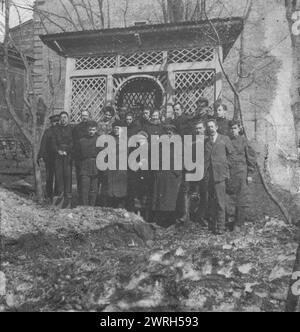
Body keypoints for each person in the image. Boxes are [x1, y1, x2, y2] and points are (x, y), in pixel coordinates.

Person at [204, 119, 235, 235]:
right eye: (208, 127)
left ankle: (221, 227)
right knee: (211, 201)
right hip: (209, 176)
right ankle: (212, 225)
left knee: (221, 202)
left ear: (216, 127)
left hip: (220, 176)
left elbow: (232, 154)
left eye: (212, 126)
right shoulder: (207, 142)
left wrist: (226, 167)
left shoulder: (224, 139)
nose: (210, 129)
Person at [152, 124, 183, 228]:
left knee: (171, 199)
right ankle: (161, 220)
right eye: (167, 132)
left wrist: (176, 172)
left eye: (171, 132)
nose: (169, 134)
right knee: (162, 199)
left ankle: (171, 220)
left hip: (173, 175)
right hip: (162, 174)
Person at [228, 121, 256, 233]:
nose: (233, 130)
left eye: (234, 128)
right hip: (230, 173)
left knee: (241, 198)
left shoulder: (244, 141)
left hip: (241, 173)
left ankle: (238, 224)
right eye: (231, 128)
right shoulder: (227, 141)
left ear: (239, 129)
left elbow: (251, 159)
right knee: (229, 198)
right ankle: (230, 219)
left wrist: (249, 174)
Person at [101, 121, 128, 208]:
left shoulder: (126, 139)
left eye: (118, 128)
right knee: (111, 192)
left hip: (121, 169)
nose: (116, 130)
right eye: (115, 128)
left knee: (121, 191)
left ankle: (120, 209)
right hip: (111, 169)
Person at [51, 112, 74, 209]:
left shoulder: (72, 129)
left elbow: (73, 142)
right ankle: (59, 199)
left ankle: (68, 199)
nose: (63, 119)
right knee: (59, 175)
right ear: (60, 119)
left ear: (68, 118)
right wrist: (58, 151)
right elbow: (53, 143)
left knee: (67, 176)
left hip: (68, 156)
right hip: (58, 156)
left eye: (65, 117)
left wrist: (67, 151)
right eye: (61, 118)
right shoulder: (56, 129)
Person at [78, 121, 100, 207]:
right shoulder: (82, 140)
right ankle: (85, 207)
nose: (91, 131)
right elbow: (78, 154)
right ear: (87, 130)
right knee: (84, 188)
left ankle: (92, 206)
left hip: (95, 165)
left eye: (93, 130)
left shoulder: (99, 140)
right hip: (84, 166)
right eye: (90, 129)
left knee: (94, 189)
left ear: (96, 130)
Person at [37, 114, 60, 200]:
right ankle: (49, 194)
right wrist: (40, 155)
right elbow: (43, 144)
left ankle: (57, 195)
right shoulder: (48, 132)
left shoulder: (62, 131)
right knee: (49, 177)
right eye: (54, 121)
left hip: (59, 159)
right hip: (50, 159)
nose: (56, 123)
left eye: (58, 121)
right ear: (51, 123)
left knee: (58, 178)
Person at [72, 109, 90, 202]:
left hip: (88, 157)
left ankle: (88, 198)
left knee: (88, 178)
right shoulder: (76, 128)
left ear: (89, 116)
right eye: (83, 115)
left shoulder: (91, 127)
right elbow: (74, 142)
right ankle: (80, 196)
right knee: (79, 177)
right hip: (79, 157)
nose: (84, 117)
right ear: (80, 116)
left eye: (86, 115)